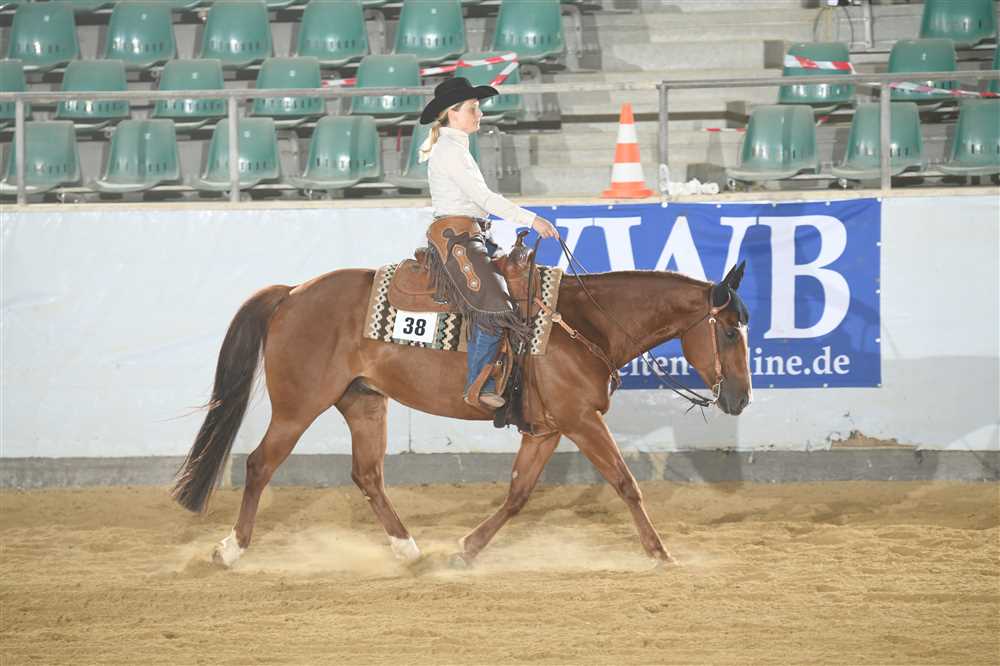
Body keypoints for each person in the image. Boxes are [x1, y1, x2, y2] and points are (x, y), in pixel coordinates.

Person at [418, 77, 559, 410]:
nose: (478, 114)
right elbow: (484, 198)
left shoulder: (456, 148)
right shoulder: (450, 151)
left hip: (472, 235)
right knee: (494, 305)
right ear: (452, 113)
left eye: (477, 108)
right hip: (457, 239)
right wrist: (532, 220)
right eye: (472, 108)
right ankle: (478, 386)